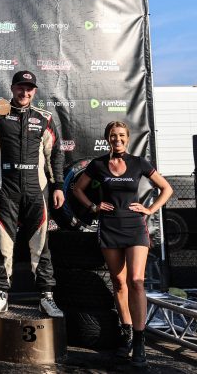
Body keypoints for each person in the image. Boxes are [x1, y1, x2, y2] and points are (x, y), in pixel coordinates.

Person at [72, 121, 172, 366]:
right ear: (107, 139)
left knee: (136, 281)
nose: (117, 139)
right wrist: (93, 207)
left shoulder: (139, 163)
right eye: (113, 136)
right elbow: (77, 189)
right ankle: (126, 334)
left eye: (121, 135)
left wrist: (149, 209)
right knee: (118, 282)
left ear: (127, 138)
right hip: (109, 227)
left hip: (135, 227)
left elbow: (166, 189)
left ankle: (139, 340)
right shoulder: (98, 164)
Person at [0, 70, 65, 318]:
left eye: (29, 88)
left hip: (36, 189)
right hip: (7, 189)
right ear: (12, 89)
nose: (24, 92)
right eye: (20, 87)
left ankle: (46, 297)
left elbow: (55, 154)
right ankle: (1, 295)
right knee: (3, 245)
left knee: (41, 245)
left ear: (34, 91)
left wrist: (58, 186)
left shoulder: (44, 118)